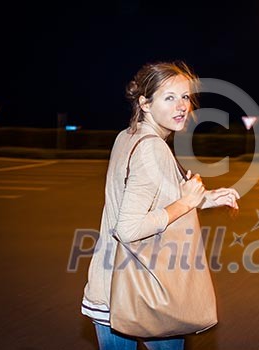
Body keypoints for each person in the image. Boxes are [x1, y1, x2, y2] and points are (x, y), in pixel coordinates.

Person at [81, 61, 240, 350]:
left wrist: (206, 198)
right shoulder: (152, 148)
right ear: (145, 103)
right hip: (141, 289)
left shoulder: (129, 136)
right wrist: (186, 202)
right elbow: (129, 228)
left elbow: (150, 194)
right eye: (169, 98)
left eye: (185, 97)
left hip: (110, 284)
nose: (182, 106)